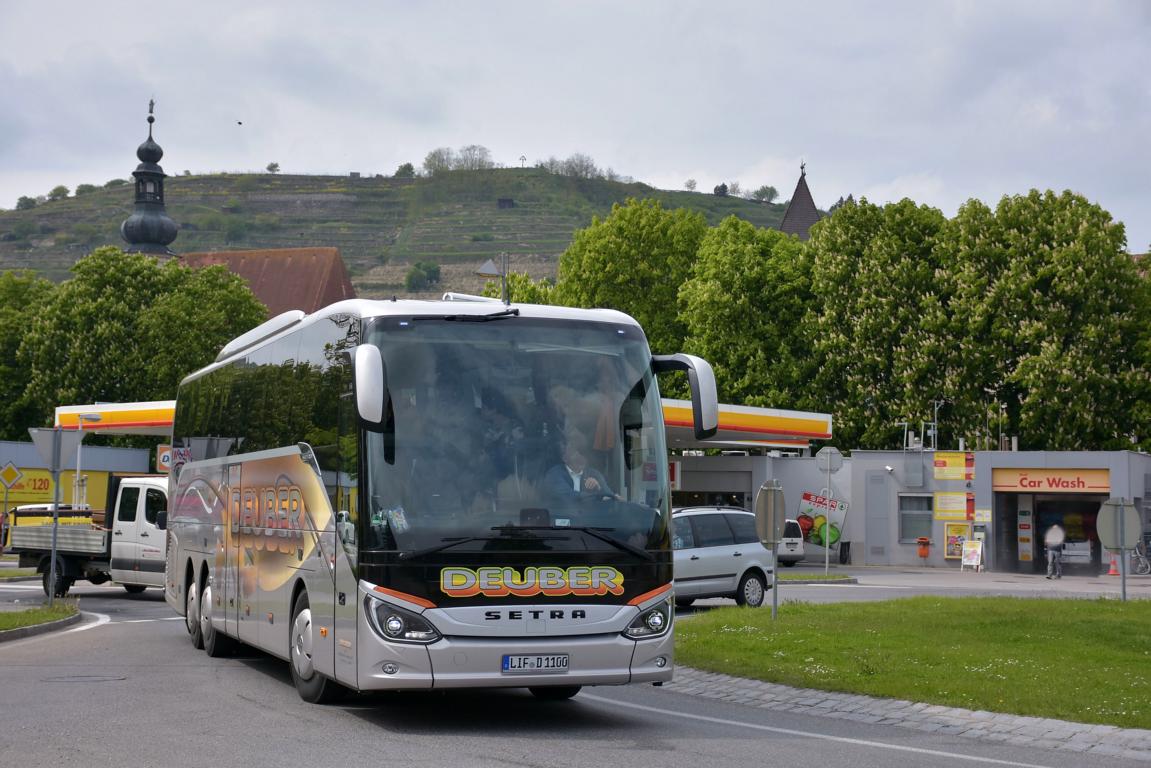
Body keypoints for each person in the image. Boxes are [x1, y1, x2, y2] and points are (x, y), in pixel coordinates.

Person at [541, 437, 618, 505]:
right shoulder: (554, 474)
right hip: (562, 518)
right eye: (575, 453)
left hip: (591, 519)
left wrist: (599, 488)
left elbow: (612, 499)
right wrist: (598, 496)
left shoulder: (594, 474)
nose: (580, 457)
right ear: (564, 458)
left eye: (582, 453)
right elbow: (568, 498)